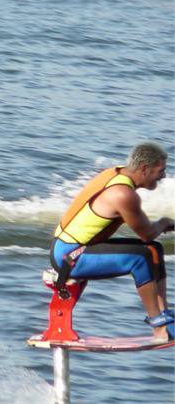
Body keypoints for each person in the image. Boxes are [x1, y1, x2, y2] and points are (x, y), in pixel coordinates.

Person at [51, 142, 174, 341]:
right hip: (70, 256)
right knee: (141, 258)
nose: (163, 176)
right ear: (144, 169)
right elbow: (147, 234)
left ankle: (164, 316)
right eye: (160, 171)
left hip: (75, 248)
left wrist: (162, 225)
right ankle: (158, 326)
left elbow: (147, 234)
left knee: (154, 250)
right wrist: (164, 222)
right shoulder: (123, 194)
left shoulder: (116, 173)